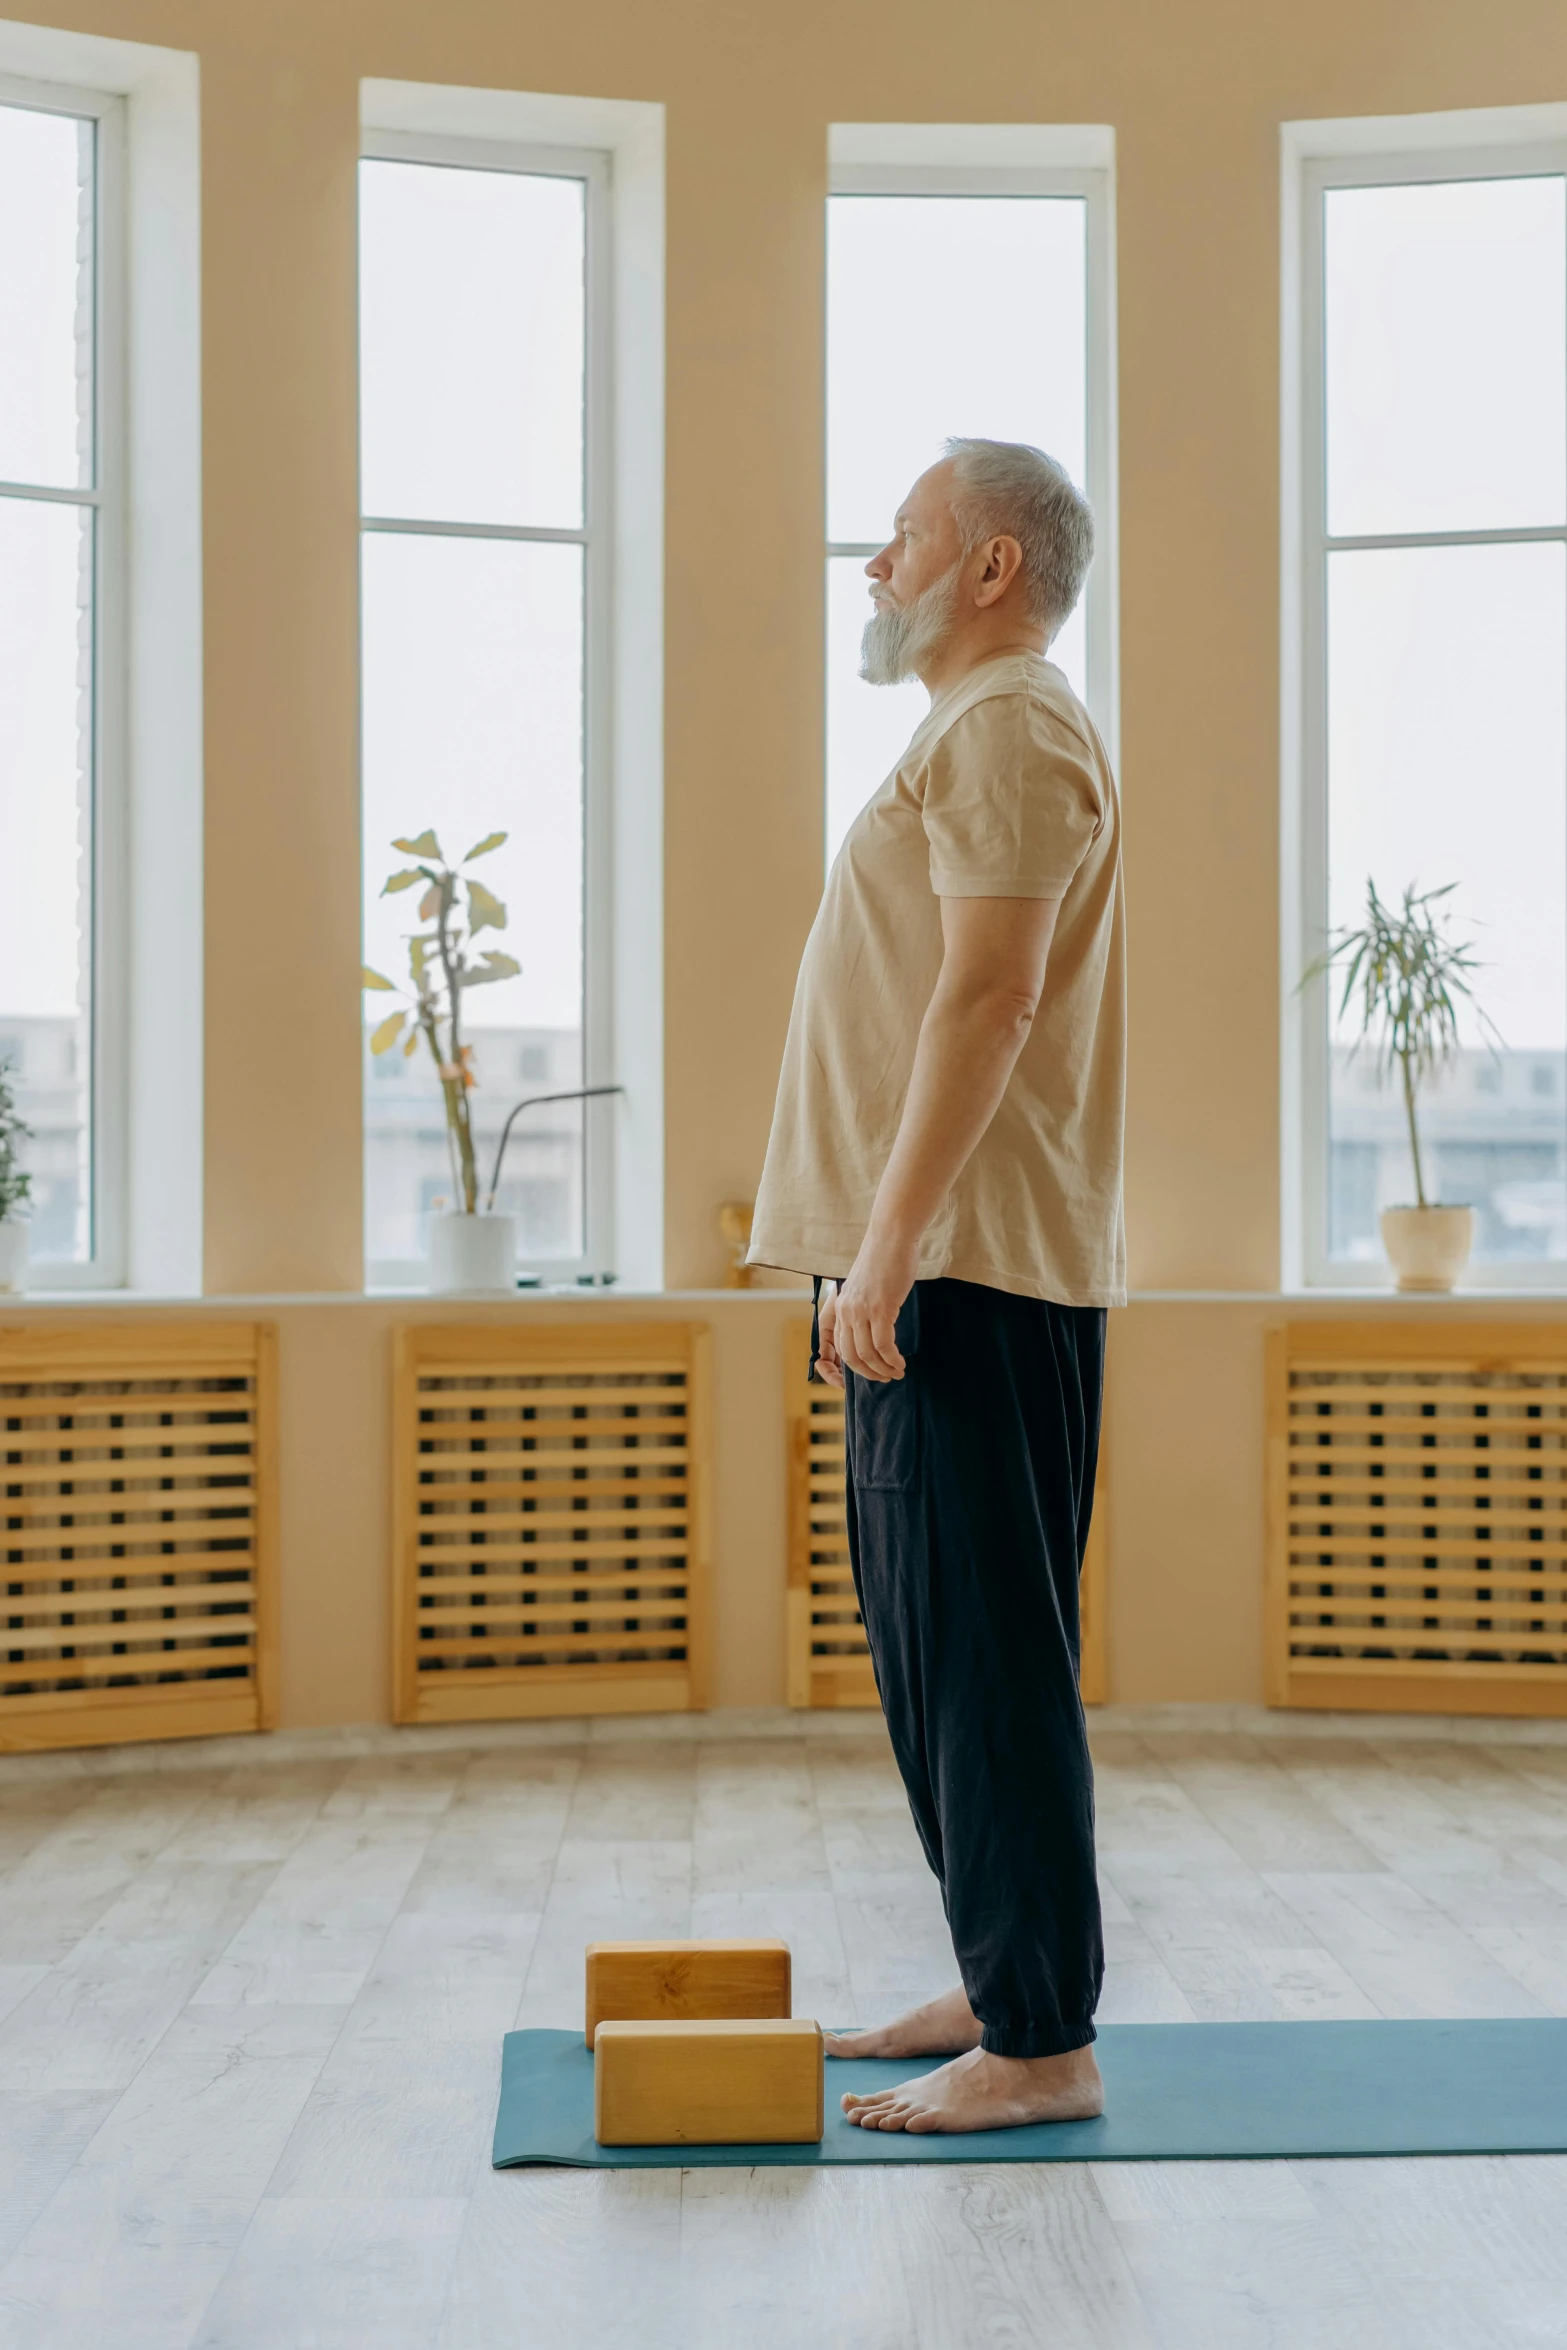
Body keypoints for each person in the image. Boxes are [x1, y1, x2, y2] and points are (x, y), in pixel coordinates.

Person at [747, 438, 1125, 2133]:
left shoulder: (1013, 724)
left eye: (900, 539)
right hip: (925, 1264)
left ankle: (1043, 2039)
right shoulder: (967, 734)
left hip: (961, 1267)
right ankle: (997, 1974)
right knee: (931, 1648)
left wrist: (890, 1246)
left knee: (985, 1657)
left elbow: (990, 997)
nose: (873, 567)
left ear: (986, 565)